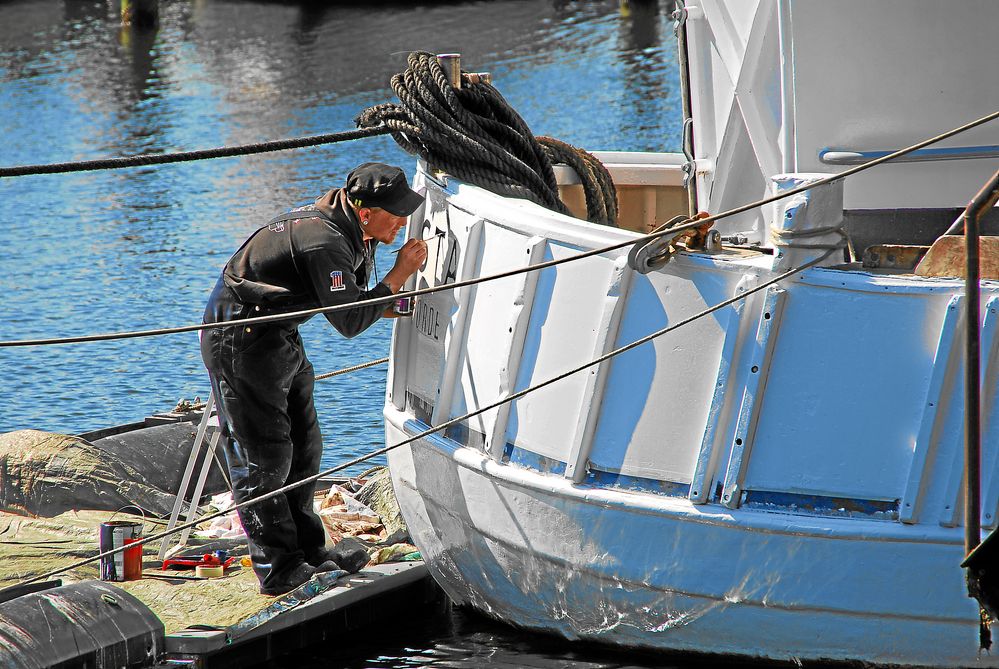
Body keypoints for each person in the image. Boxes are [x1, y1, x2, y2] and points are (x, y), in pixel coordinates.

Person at [201, 163, 428, 596]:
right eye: (396, 215)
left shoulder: (353, 230)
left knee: (305, 446)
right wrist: (399, 275)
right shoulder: (323, 240)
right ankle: (279, 569)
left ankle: (308, 551)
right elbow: (347, 321)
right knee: (265, 457)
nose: (402, 224)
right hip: (241, 340)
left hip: (277, 334)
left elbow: (348, 301)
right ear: (365, 213)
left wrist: (390, 303)